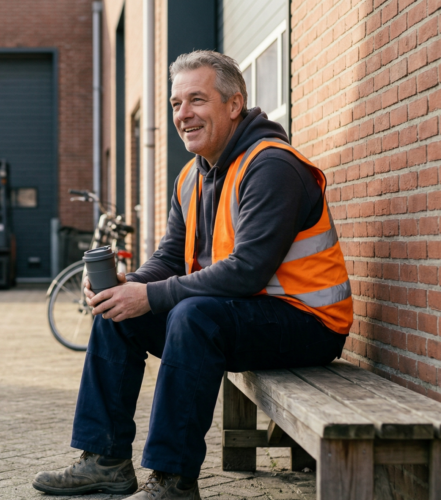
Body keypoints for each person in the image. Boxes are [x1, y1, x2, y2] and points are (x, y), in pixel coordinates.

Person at [32, 50, 352, 499]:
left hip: (307, 323)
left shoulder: (272, 167)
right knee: (116, 310)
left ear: (234, 104)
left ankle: (173, 481)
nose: (184, 114)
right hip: (244, 316)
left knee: (192, 316)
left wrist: (152, 296)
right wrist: (130, 287)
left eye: (197, 100)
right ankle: (104, 460)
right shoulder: (191, 177)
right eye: (176, 103)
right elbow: (170, 258)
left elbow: (246, 272)